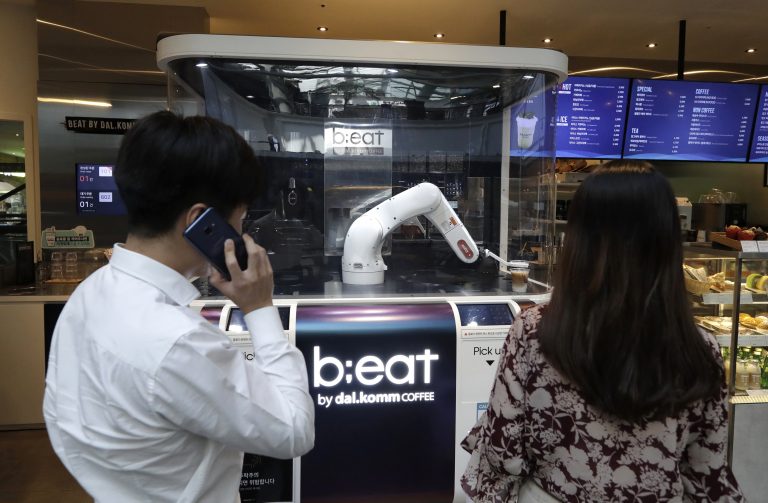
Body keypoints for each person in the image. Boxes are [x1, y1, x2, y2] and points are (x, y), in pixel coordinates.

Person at [43, 111, 315, 502]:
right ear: (200, 222)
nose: (242, 233)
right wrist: (259, 307)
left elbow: (61, 416)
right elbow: (293, 430)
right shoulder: (177, 342)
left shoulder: (89, 294)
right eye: (240, 219)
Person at [461, 160, 744, 502]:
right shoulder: (700, 349)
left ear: (578, 241)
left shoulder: (534, 332)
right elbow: (707, 475)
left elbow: (502, 449)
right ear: (669, 243)